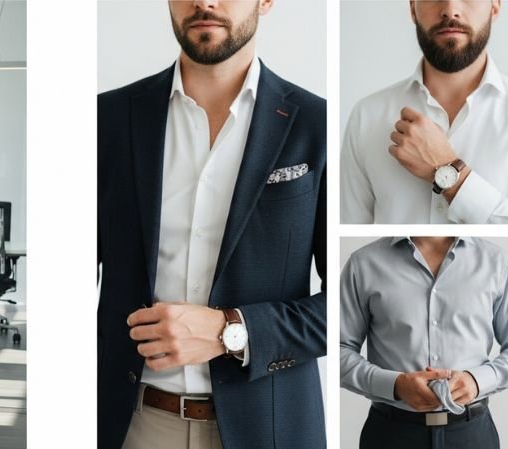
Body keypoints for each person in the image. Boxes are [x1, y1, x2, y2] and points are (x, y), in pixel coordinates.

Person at [97, 1, 326, 448]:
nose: (205, 2)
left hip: (271, 429)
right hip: (130, 424)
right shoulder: (105, 120)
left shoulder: (317, 126)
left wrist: (232, 330)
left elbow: (350, 308)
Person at [340, 0, 508, 223]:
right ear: (412, 8)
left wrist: (446, 171)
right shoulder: (367, 116)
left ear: (494, 7)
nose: (450, 9)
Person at [340, 237, 508, 449]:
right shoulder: (364, 263)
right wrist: (395, 385)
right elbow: (339, 348)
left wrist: (478, 381)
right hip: (392, 434)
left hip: (472, 435)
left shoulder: (497, 261)